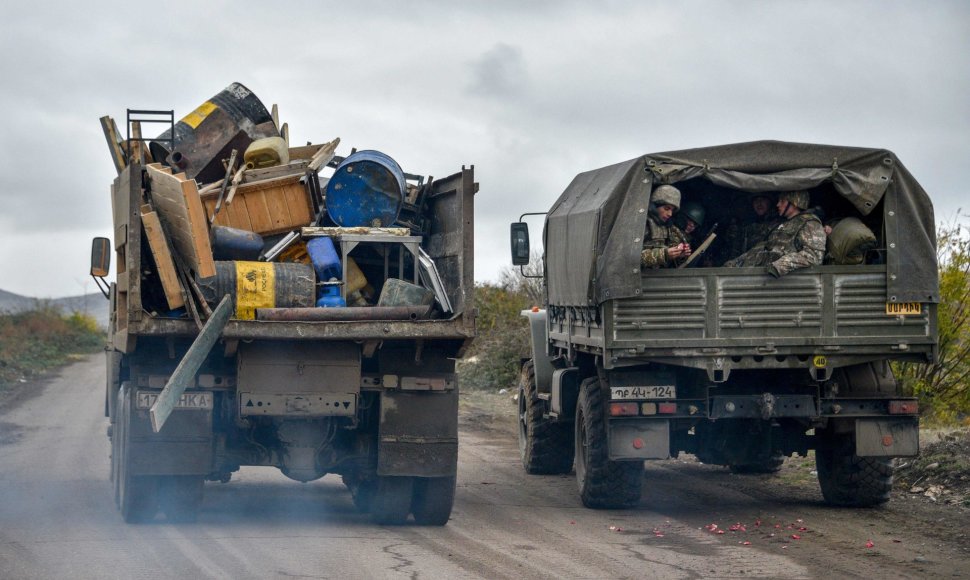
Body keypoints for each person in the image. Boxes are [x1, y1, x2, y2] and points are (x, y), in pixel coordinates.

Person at [724, 191, 826, 277]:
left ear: (794, 203)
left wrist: (781, 265)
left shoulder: (810, 223)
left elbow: (814, 256)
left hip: (789, 284)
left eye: (782, 201)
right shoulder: (783, 225)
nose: (778, 205)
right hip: (768, 280)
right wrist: (736, 263)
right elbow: (763, 249)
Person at [641, 185, 692, 268]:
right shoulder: (641, 224)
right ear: (655, 206)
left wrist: (679, 255)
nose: (670, 214)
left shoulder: (669, 228)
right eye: (666, 208)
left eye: (672, 210)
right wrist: (663, 254)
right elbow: (627, 257)